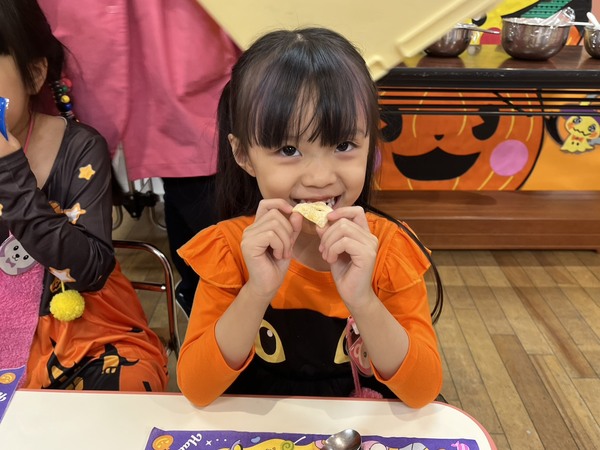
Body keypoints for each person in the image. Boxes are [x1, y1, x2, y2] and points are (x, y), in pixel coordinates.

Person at [176, 28, 443, 408]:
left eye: (344, 145)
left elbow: (422, 392)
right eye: (288, 150)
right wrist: (257, 291)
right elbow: (197, 388)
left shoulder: (387, 249)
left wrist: (363, 299)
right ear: (244, 155)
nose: (320, 178)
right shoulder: (230, 250)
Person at [0, 0, 168, 391]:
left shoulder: (79, 147)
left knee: (128, 382)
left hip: (82, 332)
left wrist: (10, 171)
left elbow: (89, 269)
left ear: (34, 74)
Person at [37, 0, 240, 317]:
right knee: (54, 200)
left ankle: (214, 309)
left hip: (182, 43)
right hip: (63, 47)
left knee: (208, 202)